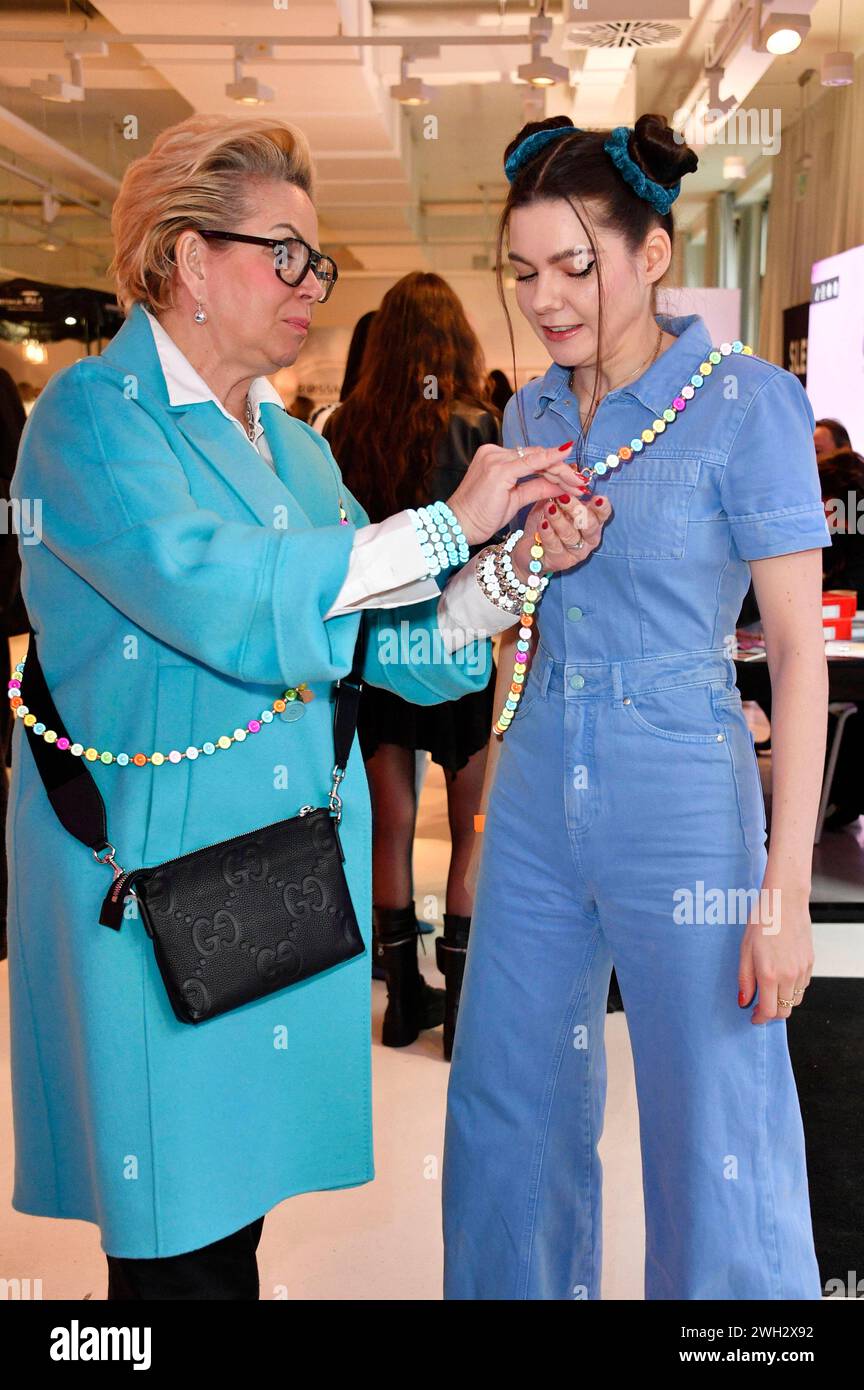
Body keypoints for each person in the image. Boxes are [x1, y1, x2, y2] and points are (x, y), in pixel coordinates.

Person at [6, 113, 603, 1299]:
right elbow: (222, 593)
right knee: (176, 1246)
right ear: (185, 258)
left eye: (317, 263)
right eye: (286, 254)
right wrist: (445, 524)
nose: (312, 287)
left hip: (276, 885)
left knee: (233, 1232)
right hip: (158, 894)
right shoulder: (90, 421)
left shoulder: (292, 447)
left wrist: (518, 567)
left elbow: (397, 645)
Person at [442, 113, 832, 1300]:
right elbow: (489, 616)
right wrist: (526, 566)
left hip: (683, 780)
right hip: (539, 778)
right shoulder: (529, 417)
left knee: (713, 1117)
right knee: (508, 1099)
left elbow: (800, 661)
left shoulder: (746, 402)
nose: (546, 298)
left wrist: (786, 895)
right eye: (523, 270)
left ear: (651, 255)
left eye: (576, 264)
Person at [324, 272, 503, 1056]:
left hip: (377, 656)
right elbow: (500, 555)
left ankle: (401, 1004)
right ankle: (463, 1013)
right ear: (455, 343)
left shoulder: (341, 429)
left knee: (390, 825)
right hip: (460, 652)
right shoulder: (480, 428)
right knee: (471, 831)